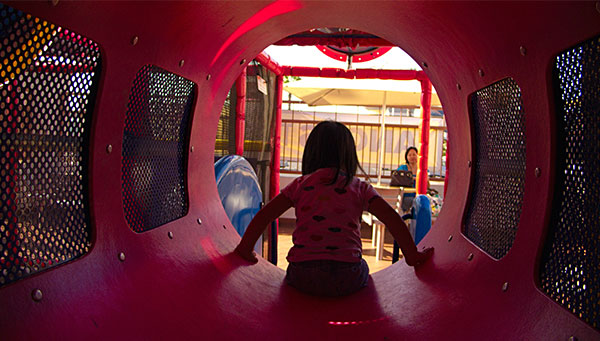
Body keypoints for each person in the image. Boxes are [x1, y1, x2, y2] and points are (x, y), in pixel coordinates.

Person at [234, 121, 434, 297]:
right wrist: (411, 255)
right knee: (363, 268)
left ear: (311, 153)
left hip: (302, 275)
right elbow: (392, 218)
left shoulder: (300, 185)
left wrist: (245, 248)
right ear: (349, 156)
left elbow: (265, 214)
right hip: (348, 276)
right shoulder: (359, 187)